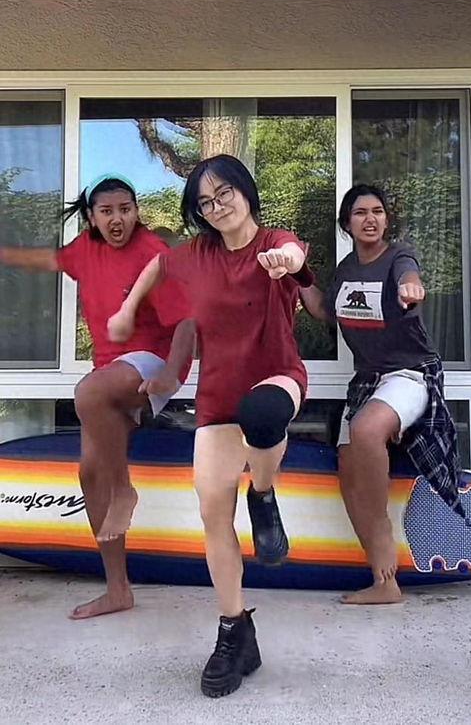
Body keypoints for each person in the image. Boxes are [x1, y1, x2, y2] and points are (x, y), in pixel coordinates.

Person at [107, 154, 314, 698]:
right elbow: (157, 267)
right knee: (212, 512)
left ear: (245, 191)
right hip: (219, 396)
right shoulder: (197, 254)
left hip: (276, 377)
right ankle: (235, 632)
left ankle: (263, 494)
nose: (217, 206)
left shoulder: (274, 241)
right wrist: (128, 310)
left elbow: (295, 255)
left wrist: (285, 262)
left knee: (262, 416)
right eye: (205, 202)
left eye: (224, 193)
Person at [0, 173, 194, 620]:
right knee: (90, 473)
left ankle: (124, 490)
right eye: (107, 212)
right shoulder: (84, 251)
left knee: (87, 391)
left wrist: (169, 374)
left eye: (125, 209)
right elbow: (43, 260)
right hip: (110, 373)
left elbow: (187, 321)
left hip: (152, 363)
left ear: (137, 211)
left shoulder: (152, 253)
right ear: (92, 217)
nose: (117, 219)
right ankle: (117, 589)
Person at [300, 183, 465, 606]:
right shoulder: (346, 270)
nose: (370, 219)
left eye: (377, 211)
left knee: (367, 431)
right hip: (367, 380)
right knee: (348, 468)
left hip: (411, 375)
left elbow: (409, 275)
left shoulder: (399, 257)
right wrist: (295, 275)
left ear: (386, 219)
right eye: (360, 213)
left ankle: (382, 536)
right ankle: (383, 582)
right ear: (347, 223)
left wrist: (412, 287)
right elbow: (324, 311)